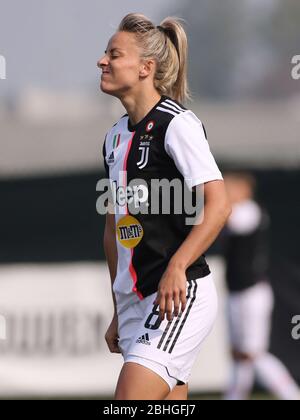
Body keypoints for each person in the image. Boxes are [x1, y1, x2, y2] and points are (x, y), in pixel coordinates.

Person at [98, 13, 231, 400]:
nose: (102, 61)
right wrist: (118, 307)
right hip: (139, 303)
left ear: (145, 68)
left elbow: (218, 204)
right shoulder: (113, 138)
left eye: (113, 54)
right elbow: (113, 229)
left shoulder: (177, 124)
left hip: (178, 295)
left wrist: (177, 265)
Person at [223, 172, 300, 400]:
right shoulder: (236, 210)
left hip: (252, 293)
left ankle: (292, 394)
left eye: (230, 189)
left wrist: (215, 199)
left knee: (253, 354)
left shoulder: (248, 211)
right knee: (239, 354)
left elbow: (226, 219)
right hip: (235, 291)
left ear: (244, 191)